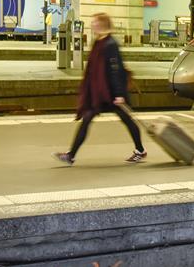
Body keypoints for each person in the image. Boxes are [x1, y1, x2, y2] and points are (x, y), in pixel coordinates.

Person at [53, 13, 147, 165]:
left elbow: (115, 70)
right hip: (100, 93)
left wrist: (118, 94)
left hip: (112, 93)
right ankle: (71, 155)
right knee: (87, 119)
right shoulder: (99, 41)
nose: (92, 25)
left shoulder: (110, 44)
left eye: (95, 22)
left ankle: (140, 150)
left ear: (102, 24)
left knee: (127, 120)